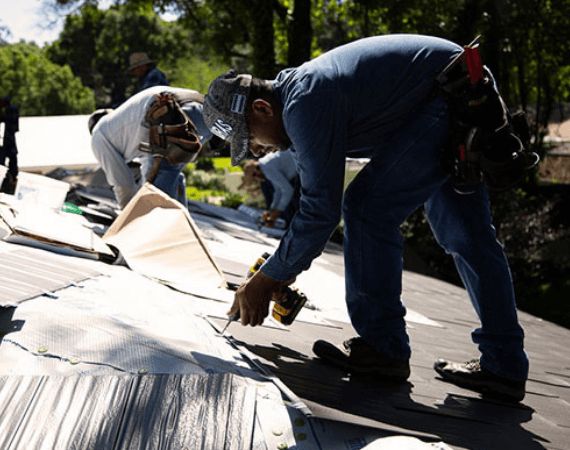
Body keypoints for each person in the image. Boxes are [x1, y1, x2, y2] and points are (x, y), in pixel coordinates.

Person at [202, 34, 530, 403]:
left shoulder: (304, 102)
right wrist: (283, 269)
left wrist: (269, 277)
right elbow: (316, 212)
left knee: (367, 208)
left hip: (449, 94)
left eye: (251, 140)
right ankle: (504, 365)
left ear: (262, 108)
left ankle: (382, 347)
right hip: (461, 89)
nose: (258, 151)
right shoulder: (305, 93)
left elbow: (319, 210)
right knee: (468, 236)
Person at [88, 85, 212, 209]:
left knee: (156, 194)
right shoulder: (126, 122)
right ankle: (180, 224)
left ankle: (169, 226)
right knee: (172, 174)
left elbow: (123, 183)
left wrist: (129, 218)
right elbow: (148, 163)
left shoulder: (98, 136)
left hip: (172, 115)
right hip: (204, 111)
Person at [239, 150, 300, 228]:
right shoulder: (265, 164)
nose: (257, 179)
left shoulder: (266, 168)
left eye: (255, 176)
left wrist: (277, 212)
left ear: (256, 171)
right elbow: (278, 191)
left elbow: (288, 190)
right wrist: (271, 210)